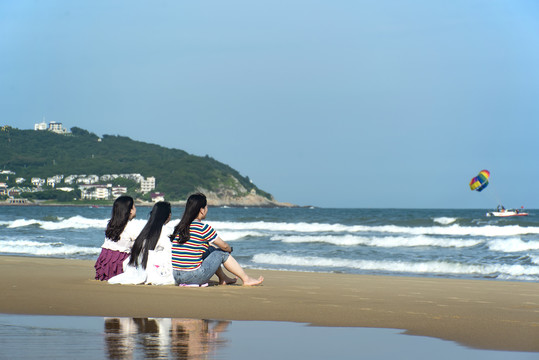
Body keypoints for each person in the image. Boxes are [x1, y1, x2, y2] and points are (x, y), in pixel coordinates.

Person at [170, 193, 264, 286]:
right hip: (193, 276)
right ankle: (246, 279)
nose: (207, 210)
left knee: (211, 250)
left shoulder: (180, 227)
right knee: (221, 253)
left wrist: (210, 248)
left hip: (177, 277)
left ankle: (223, 278)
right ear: (202, 210)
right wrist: (229, 250)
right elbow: (224, 246)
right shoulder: (202, 227)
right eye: (206, 207)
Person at [109, 201, 174, 285]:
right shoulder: (167, 231)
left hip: (140, 268)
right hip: (157, 270)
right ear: (168, 216)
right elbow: (170, 252)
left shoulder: (144, 231)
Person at [94, 195, 138, 281]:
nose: (136, 209)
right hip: (120, 260)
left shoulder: (111, 224)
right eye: (134, 207)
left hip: (105, 258)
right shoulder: (131, 227)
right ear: (130, 211)